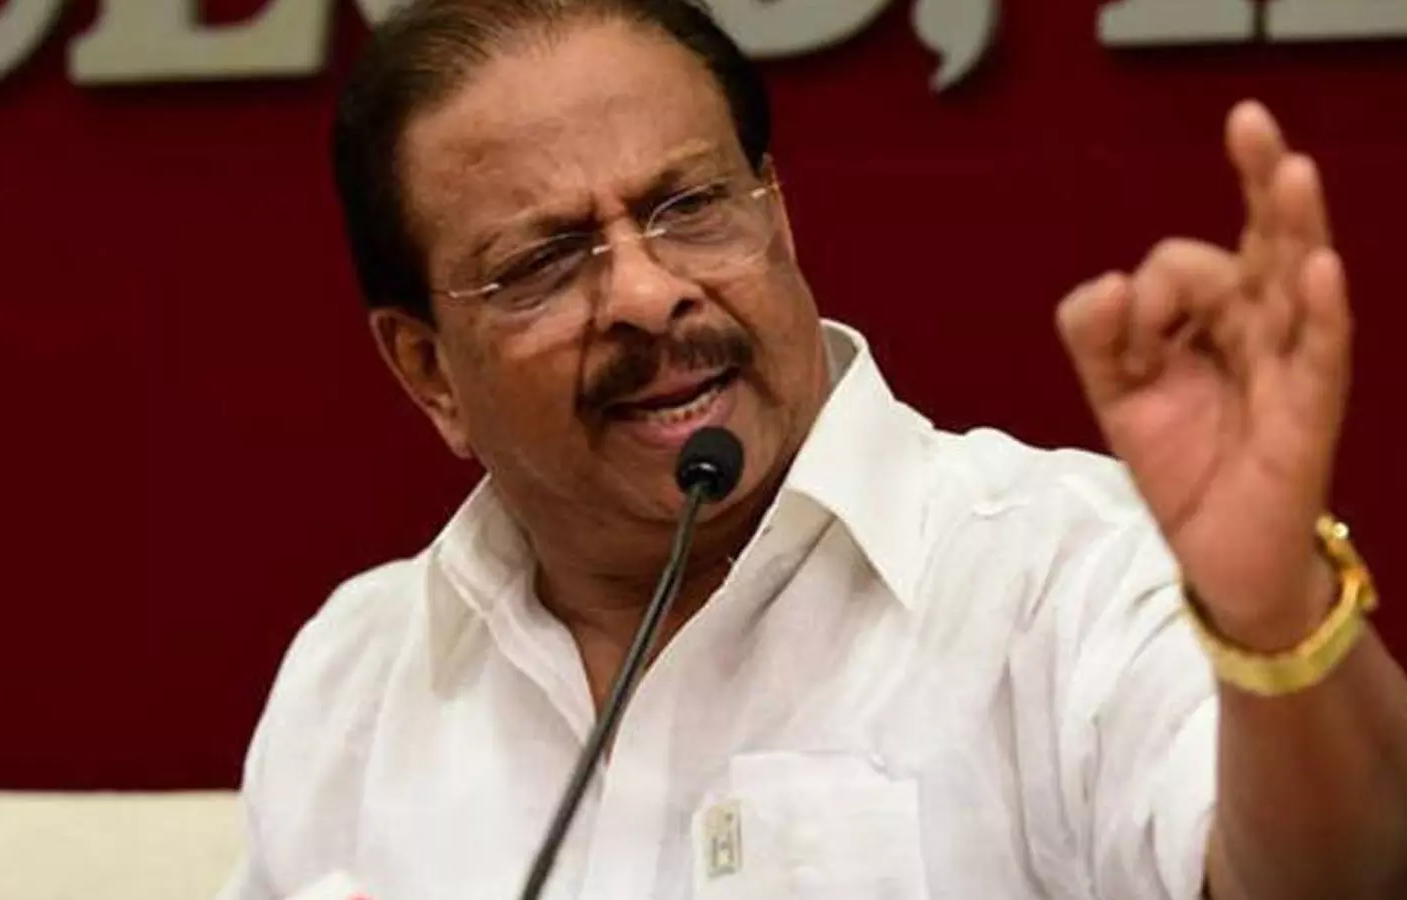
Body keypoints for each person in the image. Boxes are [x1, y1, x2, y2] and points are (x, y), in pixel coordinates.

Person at [220, 1, 1407, 898]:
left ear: (776, 217)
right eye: (544, 262)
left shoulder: (1059, 575)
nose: (646, 292)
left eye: (690, 207)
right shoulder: (356, 675)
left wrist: (1275, 616)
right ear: (428, 370)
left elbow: (1351, 877)